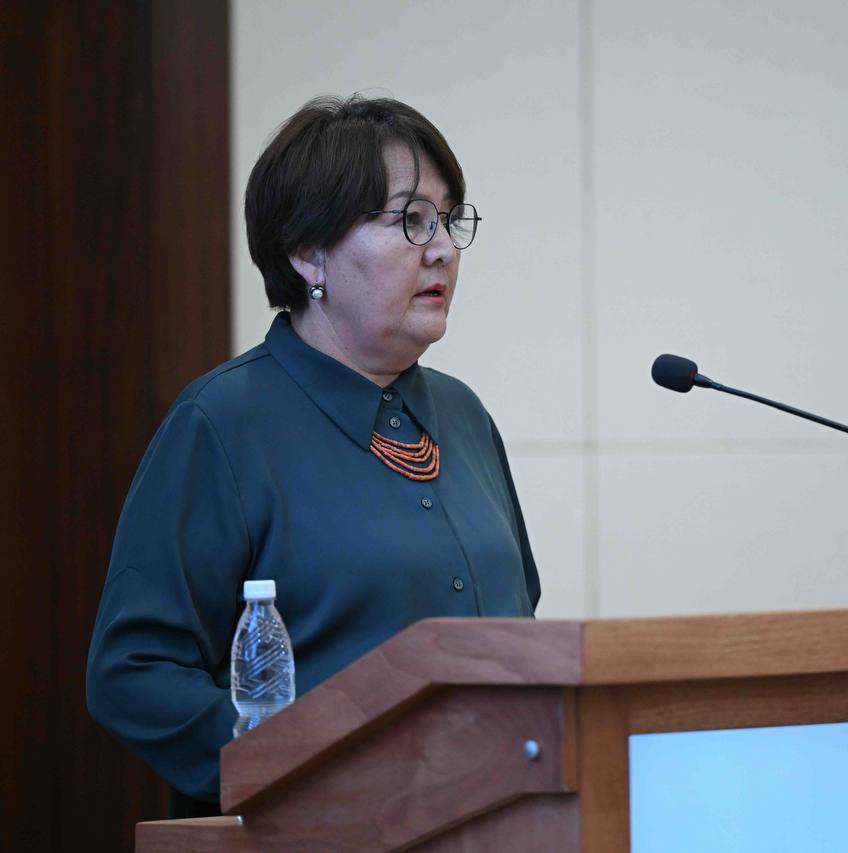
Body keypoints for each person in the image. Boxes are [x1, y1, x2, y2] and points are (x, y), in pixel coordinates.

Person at [86, 95, 540, 818]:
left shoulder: (464, 416)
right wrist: (297, 764)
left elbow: (520, 624)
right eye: (411, 219)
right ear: (308, 251)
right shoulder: (222, 423)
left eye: (449, 220)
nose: (443, 249)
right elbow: (133, 673)